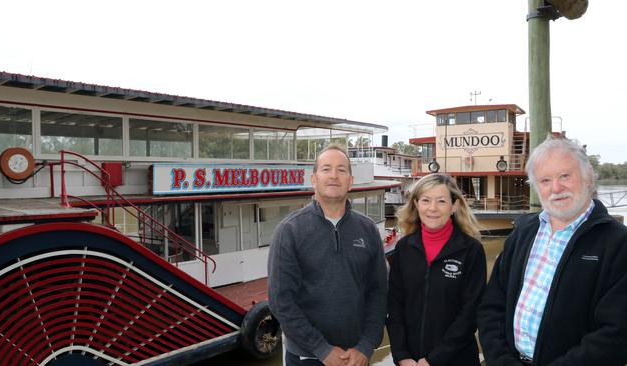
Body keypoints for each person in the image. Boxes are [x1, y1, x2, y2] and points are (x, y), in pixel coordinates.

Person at [478, 136, 627, 365]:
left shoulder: (618, 243)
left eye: (565, 176)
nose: (556, 188)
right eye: (545, 180)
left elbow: (616, 334)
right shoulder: (522, 233)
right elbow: (492, 305)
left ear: (587, 176)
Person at [267, 143, 387, 366]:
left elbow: (378, 293)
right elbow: (281, 301)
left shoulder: (368, 230)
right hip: (306, 357)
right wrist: (321, 349)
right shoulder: (290, 231)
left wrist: (367, 345)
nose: (334, 176)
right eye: (326, 169)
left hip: (357, 357)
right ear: (313, 179)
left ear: (350, 181)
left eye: (341, 170)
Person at [387, 173, 487, 366]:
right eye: (426, 200)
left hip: (457, 360)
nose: (432, 208)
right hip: (410, 362)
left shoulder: (471, 250)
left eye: (441, 201)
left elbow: (471, 313)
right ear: (416, 204)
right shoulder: (404, 248)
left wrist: (434, 359)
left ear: (454, 206)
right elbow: (395, 305)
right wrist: (401, 356)